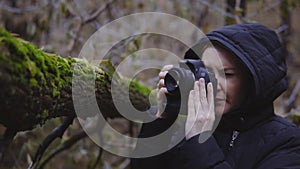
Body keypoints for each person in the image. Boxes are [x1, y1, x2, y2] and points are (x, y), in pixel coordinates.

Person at [130, 23, 300, 169]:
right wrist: (161, 120)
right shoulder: (191, 127)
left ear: (254, 81)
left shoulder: (287, 142)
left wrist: (200, 142)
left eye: (227, 74)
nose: (214, 84)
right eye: (207, 72)